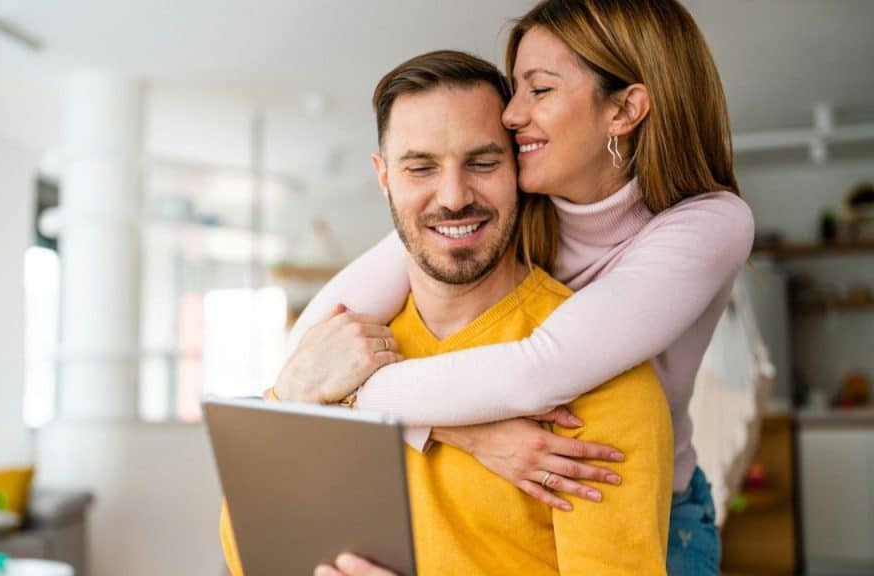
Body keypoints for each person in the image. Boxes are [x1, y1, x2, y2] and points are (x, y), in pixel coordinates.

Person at [282, 1, 753, 574]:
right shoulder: (512, 195)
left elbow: (538, 371)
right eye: (515, 90)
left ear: (625, 108)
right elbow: (314, 340)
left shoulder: (708, 223)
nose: (509, 115)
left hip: (646, 499)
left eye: (539, 90)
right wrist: (465, 433)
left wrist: (346, 395)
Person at [222, 49, 673, 576]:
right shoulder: (337, 360)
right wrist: (291, 397)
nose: (455, 197)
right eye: (420, 168)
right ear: (384, 175)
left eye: (483, 163)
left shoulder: (601, 379)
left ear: (519, 167)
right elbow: (255, 558)